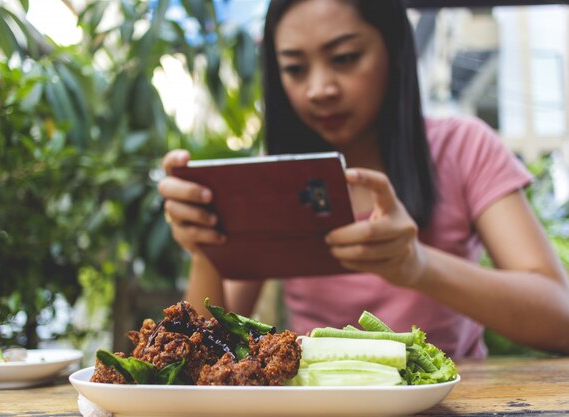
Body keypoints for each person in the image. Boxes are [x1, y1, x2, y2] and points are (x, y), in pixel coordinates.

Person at [158, 0, 569, 358]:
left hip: (447, 400)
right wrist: (205, 240)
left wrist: (418, 265)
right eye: (295, 68)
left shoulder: (464, 148)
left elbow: (560, 316)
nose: (319, 89)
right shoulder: (278, 176)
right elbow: (205, 345)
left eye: (345, 58)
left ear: (393, 49)